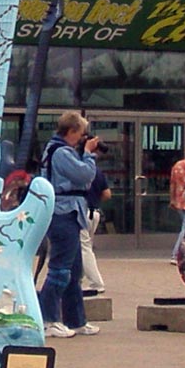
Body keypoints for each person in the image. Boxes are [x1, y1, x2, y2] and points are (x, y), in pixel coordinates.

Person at [38, 111, 100, 338]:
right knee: (60, 269)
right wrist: (88, 155)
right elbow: (85, 175)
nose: (83, 138)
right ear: (71, 131)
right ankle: (48, 319)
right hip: (63, 213)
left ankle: (76, 321)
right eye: (81, 134)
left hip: (70, 213)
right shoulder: (62, 153)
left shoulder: (59, 150)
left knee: (74, 271)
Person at [81, 161, 111, 294]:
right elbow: (107, 194)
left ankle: (96, 283)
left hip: (82, 212)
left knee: (84, 248)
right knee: (85, 247)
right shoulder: (97, 171)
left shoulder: (77, 171)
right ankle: (78, 279)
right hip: (95, 212)